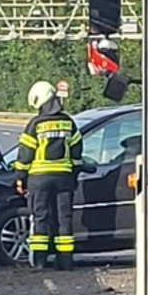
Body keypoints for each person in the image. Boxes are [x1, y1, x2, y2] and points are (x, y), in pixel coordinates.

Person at [13, 80, 94, 271]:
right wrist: (74, 172)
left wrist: (20, 176)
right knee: (64, 218)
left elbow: (25, 154)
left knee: (40, 217)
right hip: (64, 179)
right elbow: (76, 150)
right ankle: (65, 260)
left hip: (39, 179)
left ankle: (40, 261)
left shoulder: (35, 124)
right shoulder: (68, 122)